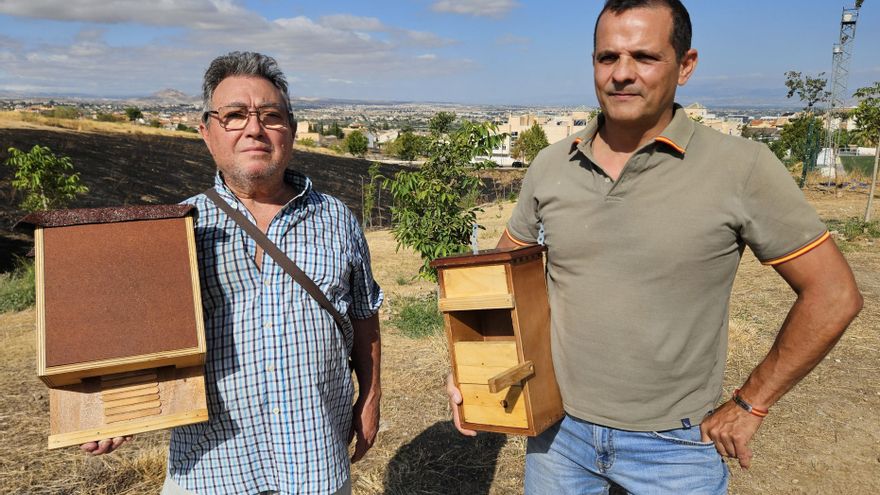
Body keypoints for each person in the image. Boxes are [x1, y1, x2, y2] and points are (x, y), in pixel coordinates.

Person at [447, 1, 862, 493]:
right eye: (607, 57)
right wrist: (476, 375)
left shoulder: (742, 167)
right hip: (558, 437)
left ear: (685, 65)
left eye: (644, 57)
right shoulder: (552, 164)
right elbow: (499, 285)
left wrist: (751, 403)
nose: (622, 74)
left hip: (675, 447)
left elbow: (834, 294)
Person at [82, 51, 383, 495]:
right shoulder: (176, 230)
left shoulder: (338, 219)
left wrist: (371, 397)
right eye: (235, 115)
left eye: (270, 116)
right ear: (206, 132)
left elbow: (363, 314)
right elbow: (127, 328)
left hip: (316, 463)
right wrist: (113, 403)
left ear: (293, 131)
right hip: (211, 469)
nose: (254, 128)